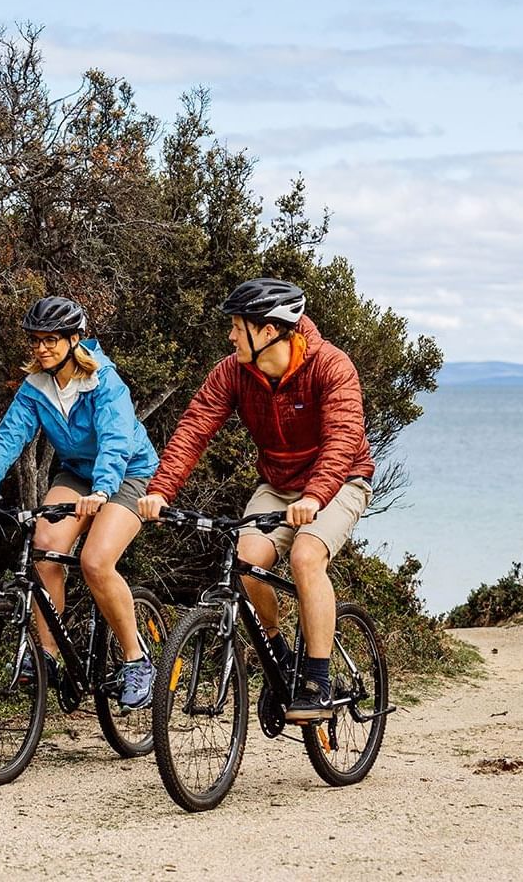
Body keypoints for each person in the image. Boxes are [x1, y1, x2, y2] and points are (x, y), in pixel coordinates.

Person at [137, 278, 374, 722]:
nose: (230, 335)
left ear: (268, 331)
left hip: (339, 481)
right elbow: (194, 429)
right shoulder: (232, 372)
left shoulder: (331, 366)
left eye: (237, 325)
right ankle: (279, 654)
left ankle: (317, 680)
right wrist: (159, 490)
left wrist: (316, 496)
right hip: (279, 483)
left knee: (306, 556)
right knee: (246, 562)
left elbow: (343, 440)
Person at [0, 296, 160, 710]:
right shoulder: (36, 388)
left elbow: (116, 440)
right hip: (79, 473)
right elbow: (8, 440)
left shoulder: (105, 383)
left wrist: (102, 491)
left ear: (74, 339)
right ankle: (46, 656)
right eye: (36, 341)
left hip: (128, 473)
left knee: (95, 561)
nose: (42, 349)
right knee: (45, 550)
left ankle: (136, 661)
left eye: (51, 340)